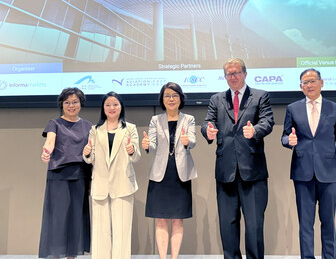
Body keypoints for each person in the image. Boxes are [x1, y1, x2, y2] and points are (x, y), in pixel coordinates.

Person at [201, 58, 274, 259]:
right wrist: (207, 130)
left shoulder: (260, 96)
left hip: (253, 170)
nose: (232, 77)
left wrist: (256, 130)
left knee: (254, 224)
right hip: (225, 171)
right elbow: (208, 121)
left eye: (236, 73)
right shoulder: (217, 99)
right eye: (229, 74)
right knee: (227, 224)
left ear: (245, 74)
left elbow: (268, 121)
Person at [281, 68, 336, 259]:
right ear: (300, 87)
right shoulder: (293, 108)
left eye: (313, 81)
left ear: (322, 83)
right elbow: (285, 136)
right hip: (302, 172)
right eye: (305, 82)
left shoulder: (335, 108)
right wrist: (289, 141)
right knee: (305, 223)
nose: (309, 85)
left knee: (328, 221)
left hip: (329, 172)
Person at [141, 82, 197, 259]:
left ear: (180, 98)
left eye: (174, 95)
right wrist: (146, 145)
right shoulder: (155, 120)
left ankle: (174, 257)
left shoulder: (188, 119)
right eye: (167, 96)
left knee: (178, 219)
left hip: (180, 173)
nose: (171, 99)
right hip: (160, 174)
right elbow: (152, 142)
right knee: (161, 218)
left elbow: (193, 141)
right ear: (162, 99)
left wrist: (187, 141)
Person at [82, 91, 141, 259]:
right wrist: (86, 153)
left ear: (121, 107)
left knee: (122, 231)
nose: (111, 108)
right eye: (108, 105)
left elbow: (136, 157)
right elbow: (90, 158)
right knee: (100, 231)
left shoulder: (130, 128)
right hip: (100, 185)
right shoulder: (95, 130)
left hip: (123, 185)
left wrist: (132, 150)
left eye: (115, 104)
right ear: (103, 108)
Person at [39, 87, 91, 259]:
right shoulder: (54, 123)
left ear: (80, 103)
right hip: (59, 175)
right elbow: (50, 140)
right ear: (62, 104)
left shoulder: (88, 126)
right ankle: (55, 256)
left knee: (75, 219)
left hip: (81, 175)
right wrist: (47, 151)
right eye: (67, 102)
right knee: (58, 219)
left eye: (74, 102)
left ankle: (71, 257)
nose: (71, 105)